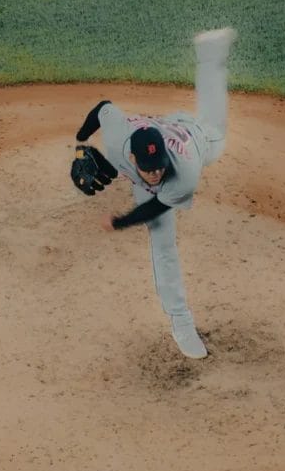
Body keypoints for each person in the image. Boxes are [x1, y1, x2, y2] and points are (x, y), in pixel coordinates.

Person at [70, 27, 236, 358]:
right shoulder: (118, 141)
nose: (157, 172)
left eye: (159, 166)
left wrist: (120, 222)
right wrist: (81, 140)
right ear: (133, 157)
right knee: (163, 245)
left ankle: (211, 53)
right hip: (162, 126)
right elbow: (103, 107)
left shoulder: (182, 173)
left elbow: (156, 207)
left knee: (216, 129)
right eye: (150, 168)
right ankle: (181, 322)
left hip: (199, 140)